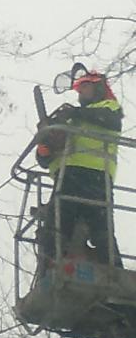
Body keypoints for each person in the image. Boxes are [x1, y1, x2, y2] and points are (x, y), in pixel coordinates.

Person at [36, 71, 123, 268]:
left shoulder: (108, 107)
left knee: (102, 233)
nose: (80, 92)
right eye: (79, 88)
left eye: (85, 86)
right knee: (56, 229)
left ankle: (117, 276)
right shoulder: (71, 119)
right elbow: (46, 155)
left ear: (98, 87)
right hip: (68, 176)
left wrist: (73, 112)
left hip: (95, 177)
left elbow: (110, 120)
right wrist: (44, 149)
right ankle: (48, 271)